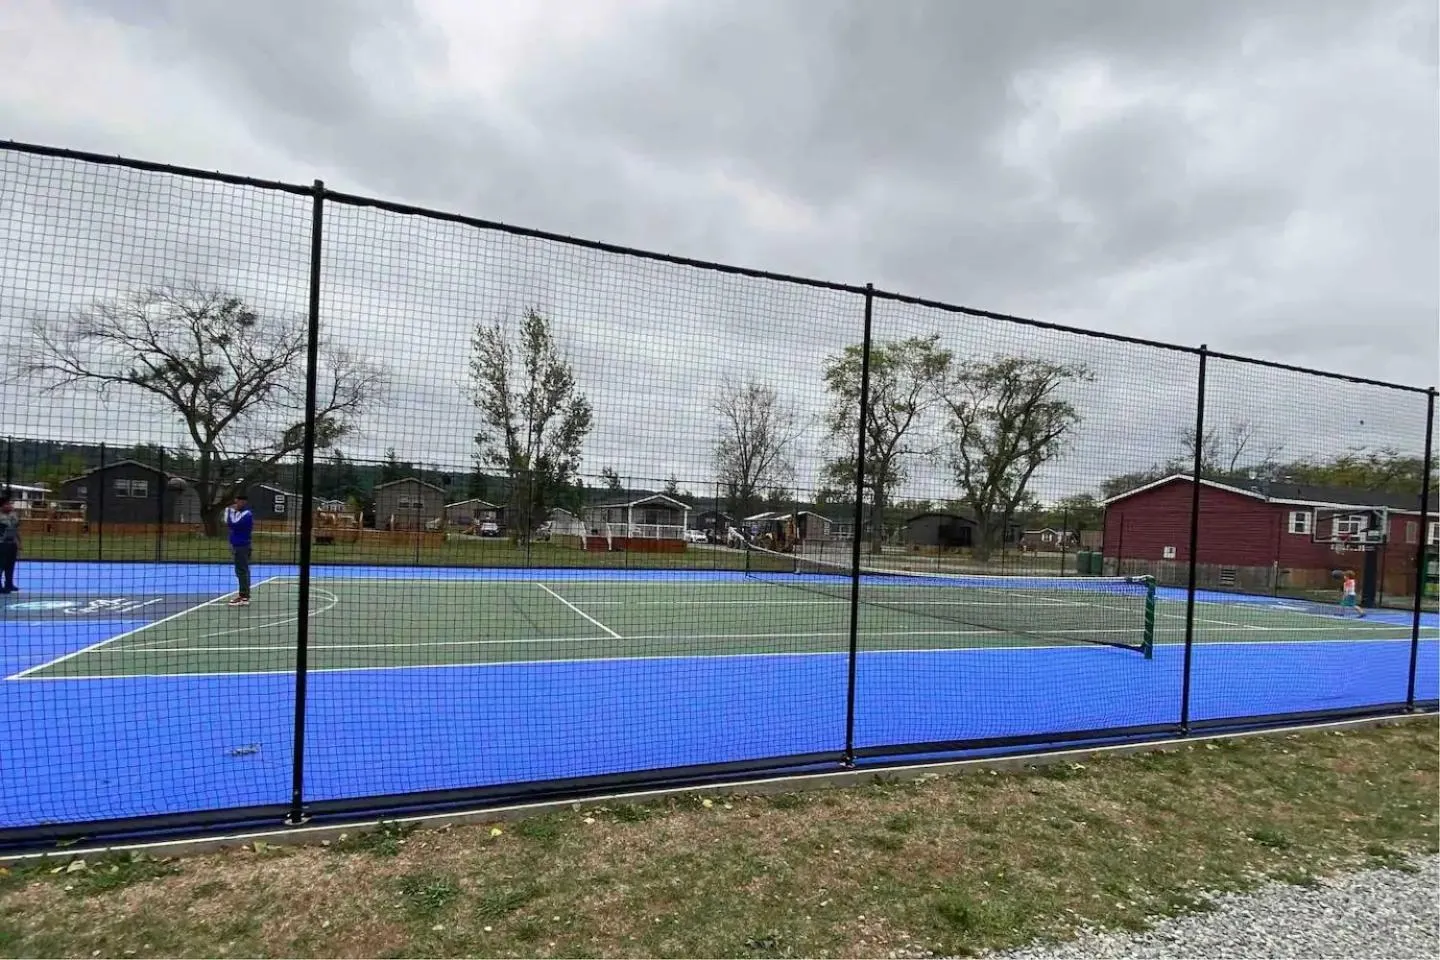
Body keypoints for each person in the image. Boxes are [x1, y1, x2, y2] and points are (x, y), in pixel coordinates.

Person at [225, 492, 254, 606]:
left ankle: (244, 597)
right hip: (237, 545)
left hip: (242, 546)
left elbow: (233, 523)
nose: (238, 503)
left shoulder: (247, 514)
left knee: (242, 571)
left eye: (241, 501)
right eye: (237, 501)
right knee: (241, 571)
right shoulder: (238, 513)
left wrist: (230, 510)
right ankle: (244, 595)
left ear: (245, 502)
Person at [0, 494, 19, 594]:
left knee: (10, 565)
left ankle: (9, 584)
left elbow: (15, 528)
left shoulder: (13, 515)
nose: (10, 505)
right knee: (1, 565)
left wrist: (19, 542)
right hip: (1, 544)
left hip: (12, 543)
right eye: (7, 504)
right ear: (2, 506)